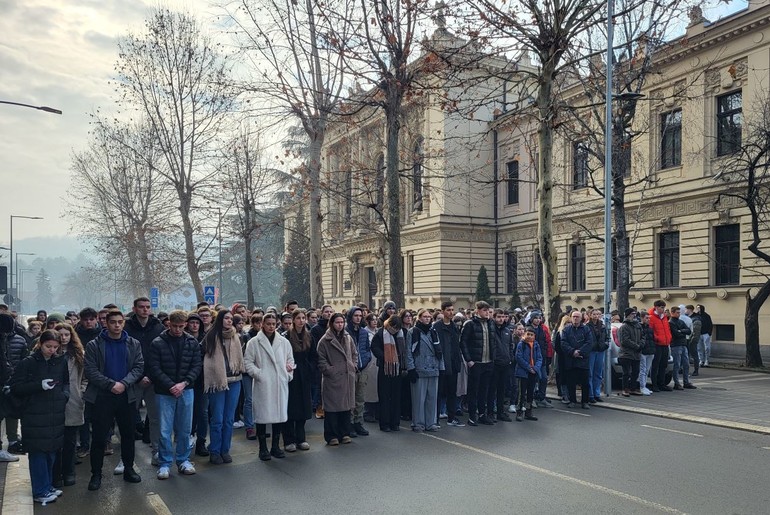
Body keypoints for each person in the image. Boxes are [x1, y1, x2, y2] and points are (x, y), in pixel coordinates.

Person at [83, 309, 144, 491]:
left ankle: (128, 469)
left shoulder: (133, 343)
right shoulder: (94, 345)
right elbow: (91, 371)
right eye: (113, 322)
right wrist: (111, 385)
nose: (117, 325)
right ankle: (96, 474)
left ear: (123, 323)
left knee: (127, 435)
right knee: (100, 438)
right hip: (102, 396)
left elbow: (139, 367)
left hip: (126, 395)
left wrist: (124, 383)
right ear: (106, 324)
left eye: (120, 322)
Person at [9, 330, 69, 504]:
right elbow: (16, 387)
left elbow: (66, 382)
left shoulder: (60, 361)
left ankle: (47, 485)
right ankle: (40, 490)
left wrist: (64, 395)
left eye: (55, 347)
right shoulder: (28, 362)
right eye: (48, 346)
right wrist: (38, 386)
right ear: (40, 344)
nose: (52, 350)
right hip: (34, 414)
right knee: (38, 453)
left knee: (51, 451)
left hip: (55, 412)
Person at [147, 310, 202, 479]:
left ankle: (183, 460)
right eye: (174, 326)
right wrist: (171, 385)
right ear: (168, 323)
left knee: (185, 428)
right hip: (165, 391)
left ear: (185, 324)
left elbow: (196, 366)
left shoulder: (192, 342)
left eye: (181, 326)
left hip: (186, 389)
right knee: (164, 429)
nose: (178, 329)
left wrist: (184, 383)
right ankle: (165, 463)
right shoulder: (157, 343)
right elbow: (154, 368)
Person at [244, 312, 294, 461]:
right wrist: (259, 374)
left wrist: (287, 373)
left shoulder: (284, 342)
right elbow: (248, 362)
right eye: (268, 324)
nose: (271, 327)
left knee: (278, 416)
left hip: (279, 383)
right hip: (263, 383)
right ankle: (263, 448)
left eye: (273, 324)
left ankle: (275, 446)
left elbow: (290, 359)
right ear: (262, 324)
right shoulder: (254, 342)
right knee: (262, 416)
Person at [124, 297, 165, 468]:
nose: (145, 310)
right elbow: (124, 356)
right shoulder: (126, 328)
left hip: (153, 380)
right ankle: (126, 458)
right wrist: (138, 377)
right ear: (134, 309)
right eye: (141, 307)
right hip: (132, 380)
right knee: (127, 419)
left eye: (147, 307)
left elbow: (161, 355)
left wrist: (150, 375)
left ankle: (156, 452)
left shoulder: (158, 327)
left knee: (155, 418)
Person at [203, 310, 244, 465]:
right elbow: (204, 356)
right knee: (217, 419)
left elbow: (239, 357)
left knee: (228, 419)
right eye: (226, 318)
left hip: (235, 381)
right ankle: (214, 451)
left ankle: (225, 450)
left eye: (231, 319)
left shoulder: (236, 336)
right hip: (217, 381)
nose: (229, 321)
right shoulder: (211, 336)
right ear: (220, 320)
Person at [52, 323, 85, 487]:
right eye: (60, 334)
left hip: (73, 400)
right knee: (54, 442)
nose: (64, 337)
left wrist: (81, 391)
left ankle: (69, 471)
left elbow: (86, 377)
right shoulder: (48, 351)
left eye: (67, 334)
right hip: (52, 401)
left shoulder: (78, 354)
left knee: (70, 441)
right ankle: (55, 473)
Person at [316, 313, 358, 445]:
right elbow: (321, 359)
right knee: (332, 408)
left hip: (346, 376)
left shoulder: (347, 337)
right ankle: (332, 435)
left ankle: (344, 433)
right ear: (332, 323)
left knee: (345, 407)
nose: (340, 325)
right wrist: (330, 370)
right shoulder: (325, 340)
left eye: (342, 322)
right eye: (337, 322)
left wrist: (353, 366)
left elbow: (354, 353)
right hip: (333, 378)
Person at [406, 309, 444, 432]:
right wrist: (411, 368)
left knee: (432, 398)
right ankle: (418, 423)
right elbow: (408, 352)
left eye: (429, 316)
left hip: (433, 368)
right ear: (419, 318)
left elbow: (439, 351)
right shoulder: (413, 332)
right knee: (418, 399)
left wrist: (441, 367)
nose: (427, 318)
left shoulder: (434, 332)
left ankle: (431, 422)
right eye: (425, 316)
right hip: (419, 368)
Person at [460, 301, 496, 426]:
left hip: (488, 362)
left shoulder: (491, 323)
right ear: (478, 311)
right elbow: (463, 342)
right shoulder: (470, 324)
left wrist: (494, 358)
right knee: (473, 390)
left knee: (484, 390)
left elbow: (493, 341)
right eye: (485, 310)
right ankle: (472, 416)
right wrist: (469, 360)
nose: (487, 313)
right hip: (476, 362)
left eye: (488, 310)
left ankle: (482, 414)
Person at [285, 310, 314, 452]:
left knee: (303, 407)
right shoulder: (286, 336)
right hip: (291, 375)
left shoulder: (309, 335)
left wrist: (310, 369)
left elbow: (313, 355)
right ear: (293, 320)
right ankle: (289, 440)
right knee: (291, 407)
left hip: (304, 374)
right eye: (298, 318)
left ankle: (301, 438)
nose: (301, 321)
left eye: (303, 318)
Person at [433, 302, 464, 427]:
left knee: (452, 392)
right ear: (442, 311)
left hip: (453, 364)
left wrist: (457, 362)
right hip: (441, 364)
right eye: (448, 310)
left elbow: (457, 346)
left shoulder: (454, 327)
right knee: (439, 393)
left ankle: (452, 417)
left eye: (452, 310)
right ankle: (435, 418)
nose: (451, 312)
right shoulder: (437, 327)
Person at [560, 310, 594, 409]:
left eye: (577, 317)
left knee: (585, 383)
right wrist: (572, 352)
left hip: (583, 360)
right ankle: (572, 401)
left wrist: (580, 352)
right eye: (574, 316)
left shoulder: (586, 329)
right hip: (570, 360)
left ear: (581, 318)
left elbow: (589, 343)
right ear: (571, 317)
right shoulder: (566, 330)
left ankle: (585, 401)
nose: (575, 318)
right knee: (571, 382)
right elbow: (563, 343)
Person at [346, 306, 371, 437]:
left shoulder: (364, 332)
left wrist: (366, 361)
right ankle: (349, 423)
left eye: (360, 316)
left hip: (362, 369)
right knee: (350, 398)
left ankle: (358, 422)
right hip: (350, 370)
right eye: (355, 315)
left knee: (360, 398)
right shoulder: (345, 332)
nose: (358, 318)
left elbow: (367, 349)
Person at [513, 326, 542, 421]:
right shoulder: (521, 344)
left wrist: (536, 368)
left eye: (532, 335)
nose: (529, 336)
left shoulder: (536, 345)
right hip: (523, 372)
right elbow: (519, 357)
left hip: (533, 372)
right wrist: (529, 367)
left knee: (530, 393)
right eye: (528, 334)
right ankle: (519, 411)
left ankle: (528, 411)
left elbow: (539, 358)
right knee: (522, 393)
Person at [310, 304, 334, 419]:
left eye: (330, 312)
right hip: (320, 361)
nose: (329, 314)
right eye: (326, 312)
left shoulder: (334, 328)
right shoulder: (316, 329)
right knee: (319, 385)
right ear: (322, 313)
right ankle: (319, 407)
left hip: (333, 361)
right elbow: (315, 347)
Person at [490, 309, 514, 422]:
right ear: (494, 317)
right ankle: (490, 412)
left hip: (505, 363)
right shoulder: (491, 329)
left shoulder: (507, 330)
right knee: (492, 390)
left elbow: (510, 345)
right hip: (494, 364)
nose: (501, 319)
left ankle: (501, 412)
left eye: (503, 316)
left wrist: (510, 358)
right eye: (499, 316)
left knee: (502, 390)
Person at [669, 306, 696, 390]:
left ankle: (686, 382)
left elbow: (689, 331)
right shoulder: (671, 322)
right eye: (677, 312)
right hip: (676, 345)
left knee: (686, 364)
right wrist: (682, 332)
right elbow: (676, 334)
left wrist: (681, 331)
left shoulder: (680, 321)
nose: (679, 314)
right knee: (676, 365)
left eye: (679, 312)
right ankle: (677, 383)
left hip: (683, 344)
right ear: (672, 313)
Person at [617, 308, 643, 396]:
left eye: (635, 313)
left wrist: (641, 344)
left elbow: (643, 336)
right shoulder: (624, 327)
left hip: (636, 353)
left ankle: (633, 388)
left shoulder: (638, 326)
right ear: (627, 315)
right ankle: (625, 389)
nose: (634, 315)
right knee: (626, 373)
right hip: (626, 353)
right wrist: (636, 346)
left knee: (636, 372)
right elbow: (624, 340)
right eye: (632, 314)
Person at [648, 300, 672, 392]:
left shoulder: (664, 317)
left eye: (664, 307)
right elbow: (651, 331)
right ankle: (654, 384)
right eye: (661, 307)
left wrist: (669, 338)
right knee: (655, 365)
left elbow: (667, 329)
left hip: (665, 344)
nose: (663, 309)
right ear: (656, 307)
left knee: (663, 365)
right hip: (657, 344)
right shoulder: (651, 317)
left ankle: (662, 384)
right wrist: (657, 338)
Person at [686, 305, 702, 377]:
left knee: (694, 355)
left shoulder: (696, 319)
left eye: (686, 309)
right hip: (688, 339)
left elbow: (696, 332)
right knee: (686, 356)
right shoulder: (689, 318)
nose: (685, 311)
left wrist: (692, 340)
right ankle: (685, 369)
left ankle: (696, 370)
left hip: (692, 340)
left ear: (690, 310)